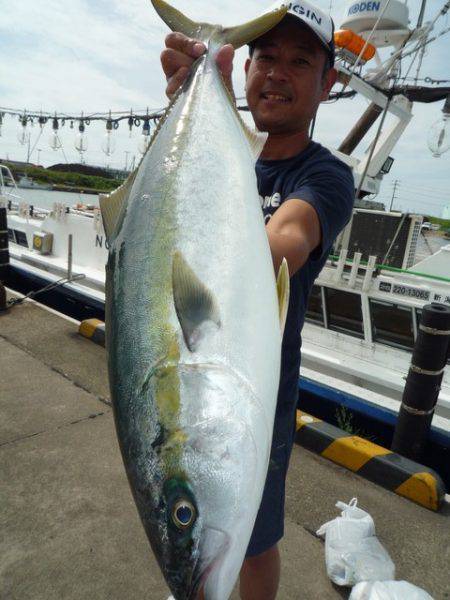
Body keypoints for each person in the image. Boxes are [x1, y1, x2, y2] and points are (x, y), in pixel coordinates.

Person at [161, 1, 355, 598]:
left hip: (258, 396)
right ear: (244, 69)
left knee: (257, 538)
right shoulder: (213, 147)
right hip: (200, 375)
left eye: (300, 61)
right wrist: (188, 102)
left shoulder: (324, 177)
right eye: (265, 56)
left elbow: (286, 241)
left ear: (328, 84)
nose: (277, 72)